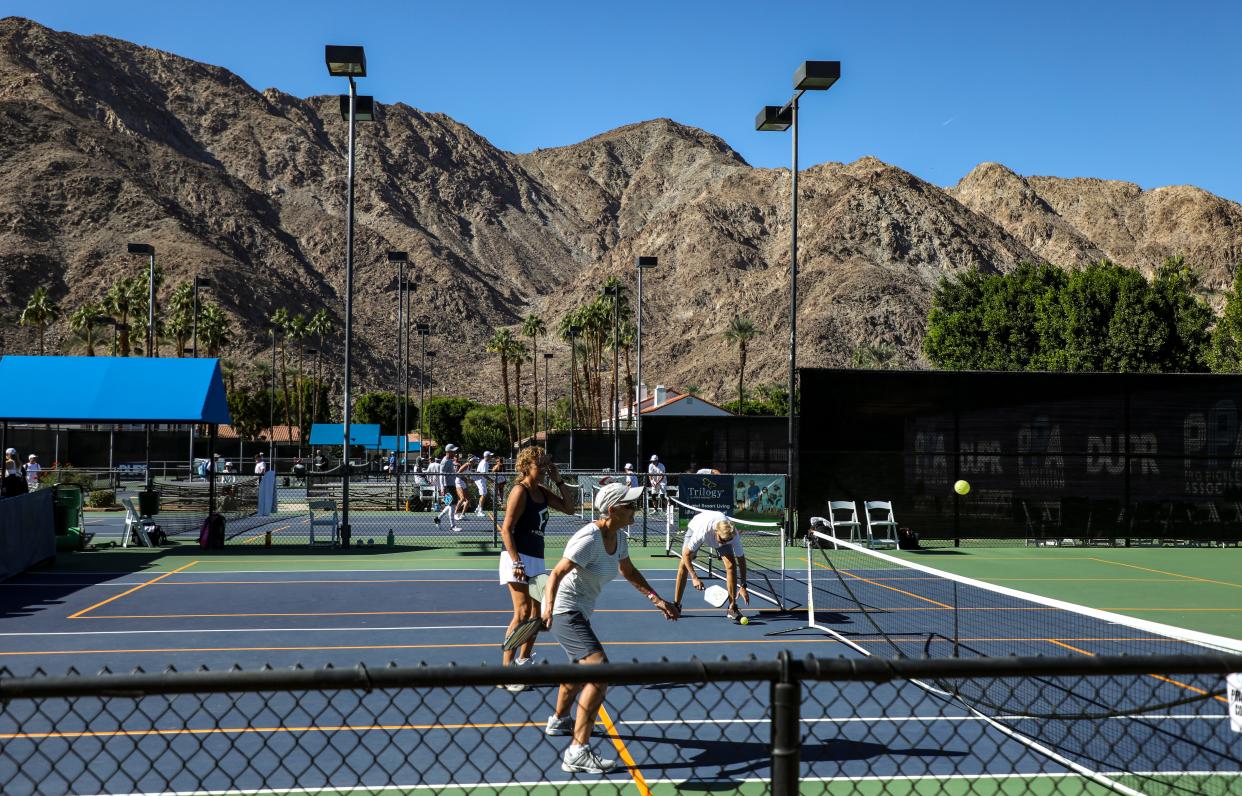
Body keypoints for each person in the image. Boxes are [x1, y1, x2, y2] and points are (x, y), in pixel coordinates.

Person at [542, 482, 680, 773]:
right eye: (630, 505)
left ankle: (559, 720)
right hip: (565, 611)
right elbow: (556, 574)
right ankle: (578, 751)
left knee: (579, 672)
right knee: (599, 670)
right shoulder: (588, 538)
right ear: (612, 509)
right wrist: (547, 609)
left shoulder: (620, 538)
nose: (635, 509)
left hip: (579, 610)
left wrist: (657, 599)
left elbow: (628, 571)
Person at [497, 446, 575, 688]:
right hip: (517, 558)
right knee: (521, 613)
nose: (542, 467)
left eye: (544, 463)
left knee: (537, 616)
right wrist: (516, 561)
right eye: (538, 464)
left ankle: (523, 663)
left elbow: (570, 508)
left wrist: (559, 481)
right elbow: (506, 529)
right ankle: (506, 672)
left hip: (536, 558)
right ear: (525, 466)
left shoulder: (541, 491)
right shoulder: (520, 492)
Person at [673, 509, 750, 621]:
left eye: (726, 542)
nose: (723, 544)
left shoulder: (733, 535)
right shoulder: (702, 531)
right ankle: (676, 605)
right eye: (722, 541)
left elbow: (741, 561)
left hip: (718, 530)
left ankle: (732, 607)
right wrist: (694, 577)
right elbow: (686, 555)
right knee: (684, 564)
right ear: (716, 532)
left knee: (731, 565)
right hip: (696, 526)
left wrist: (743, 586)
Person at [435, 445, 461, 531]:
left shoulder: (450, 460)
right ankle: (453, 526)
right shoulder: (445, 461)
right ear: (448, 452)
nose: (454, 453)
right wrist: (442, 488)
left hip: (451, 485)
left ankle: (438, 518)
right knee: (452, 504)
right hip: (448, 486)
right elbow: (441, 475)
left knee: (450, 504)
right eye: (453, 451)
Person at [474, 451, 494, 516]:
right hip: (480, 480)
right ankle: (480, 511)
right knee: (483, 494)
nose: (491, 457)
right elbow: (483, 474)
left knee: (484, 494)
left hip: (482, 480)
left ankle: (478, 508)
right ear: (487, 456)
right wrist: (491, 480)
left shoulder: (486, 462)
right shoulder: (484, 463)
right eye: (490, 455)